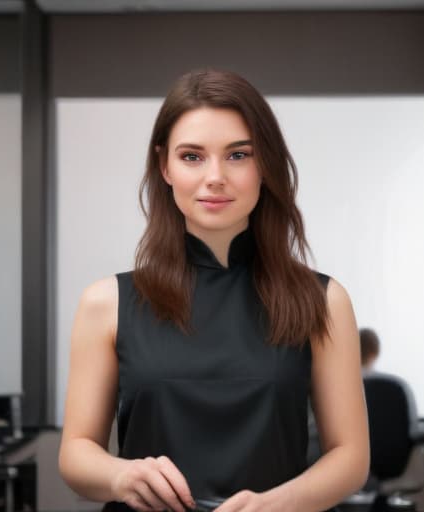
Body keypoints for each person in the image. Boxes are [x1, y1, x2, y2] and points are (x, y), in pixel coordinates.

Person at [58, 69, 369, 512]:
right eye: (192, 157)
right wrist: (121, 475)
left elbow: (351, 458)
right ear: (164, 165)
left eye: (238, 155)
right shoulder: (105, 303)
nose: (215, 177)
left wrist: (277, 506)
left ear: (266, 165)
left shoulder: (323, 301)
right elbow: (75, 453)